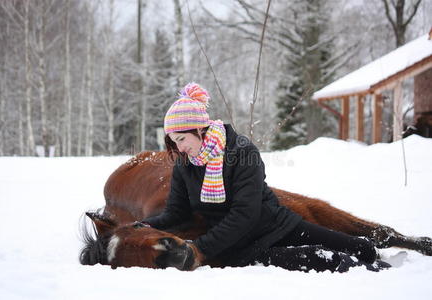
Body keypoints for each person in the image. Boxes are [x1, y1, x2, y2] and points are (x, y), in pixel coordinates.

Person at [143, 82, 390, 272]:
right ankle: (362, 271)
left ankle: (382, 262)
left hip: (277, 225)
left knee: (358, 247)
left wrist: (200, 248)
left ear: (199, 128)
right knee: (327, 260)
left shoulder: (241, 151)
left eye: (182, 139)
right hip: (243, 248)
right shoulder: (185, 164)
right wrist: (145, 225)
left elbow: (245, 213)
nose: (180, 148)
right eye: (175, 142)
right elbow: (177, 213)